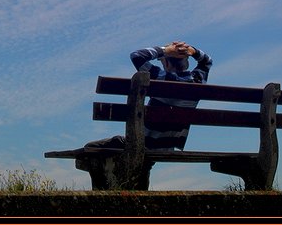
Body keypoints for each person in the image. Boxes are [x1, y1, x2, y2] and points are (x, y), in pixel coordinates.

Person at [84, 41, 213, 187]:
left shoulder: (161, 78)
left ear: (166, 64)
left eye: (163, 61)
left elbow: (136, 56)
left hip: (141, 143)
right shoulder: (198, 80)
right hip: (166, 147)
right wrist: (192, 50)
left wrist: (165, 50)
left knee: (90, 148)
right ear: (187, 63)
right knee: (143, 161)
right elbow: (207, 61)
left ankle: (104, 192)